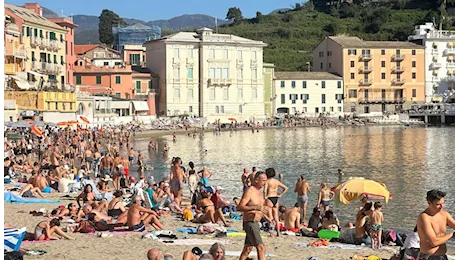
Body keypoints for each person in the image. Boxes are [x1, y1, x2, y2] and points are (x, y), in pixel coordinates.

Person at [237, 171, 270, 260]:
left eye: (265, 180)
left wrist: (266, 217)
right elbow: (239, 207)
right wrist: (255, 207)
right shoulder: (250, 191)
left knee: (247, 249)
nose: (264, 183)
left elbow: (259, 209)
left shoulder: (259, 192)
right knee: (261, 247)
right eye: (263, 180)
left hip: (256, 222)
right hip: (250, 222)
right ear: (256, 180)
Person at [417, 189, 456, 260]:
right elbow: (434, 242)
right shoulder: (424, 217)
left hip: (443, 256)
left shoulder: (444, 214)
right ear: (429, 203)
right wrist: (452, 235)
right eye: (438, 204)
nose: (442, 207)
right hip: (428, 257)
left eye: (443, 203)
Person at [263, 167, 288, 236]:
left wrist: (265, 197)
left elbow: (265, 190)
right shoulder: (276, 181)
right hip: (276, 198)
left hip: (269, 198)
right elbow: (285, 188)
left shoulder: (267, 181)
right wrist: (280, 195)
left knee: (270, 217)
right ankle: (278, 233)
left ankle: (271, 232)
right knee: (276, 217)